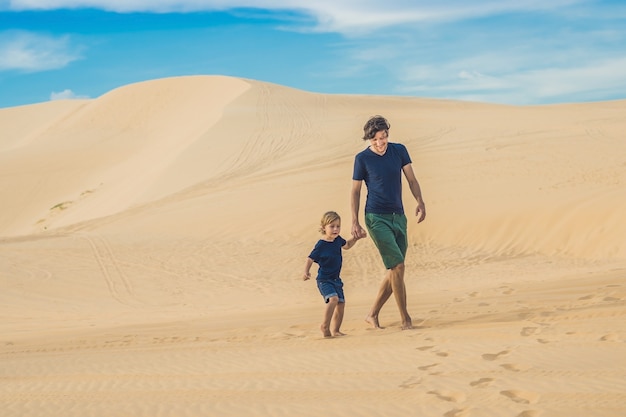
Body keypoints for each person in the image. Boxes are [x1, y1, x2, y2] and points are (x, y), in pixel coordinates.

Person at [351, 115, 426, 330]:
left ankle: (372, 314)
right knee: (398, 265)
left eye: (382, 138)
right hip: (375, 217)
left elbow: (411, 179)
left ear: (387, 135)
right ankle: (406, 320)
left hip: (399, 217)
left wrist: (420, 201)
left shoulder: (399, 150)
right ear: (369, 140)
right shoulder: (362, 159)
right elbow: (355, 191)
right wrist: (355, 221)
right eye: (374, 140)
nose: (379, 143)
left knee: (396, 270)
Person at [303, 211, 364, 337]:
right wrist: (306, 271)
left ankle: (336, 330)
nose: (335, 229)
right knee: (333, 299)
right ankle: (325, 326)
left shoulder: (337, 240)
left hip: (336, 280)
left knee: (341, 304)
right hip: (324, 280)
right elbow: (310, 258)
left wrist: (356, 238)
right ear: (323, 228)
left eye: (338, 226)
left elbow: (347, 245)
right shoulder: (321, 244)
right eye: (332, 226)